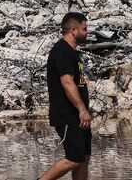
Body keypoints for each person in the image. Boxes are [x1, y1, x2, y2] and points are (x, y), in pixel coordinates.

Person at [39, 12, 91, 180]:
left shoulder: (74, 54)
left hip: (79, 115)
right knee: (74, 158)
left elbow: (80, 82)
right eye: (84, 28)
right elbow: (67, 83)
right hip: (68, 114)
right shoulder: (61, 52)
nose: (87, 32)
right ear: (73, 30)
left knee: (84, 158)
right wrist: (82, 109)